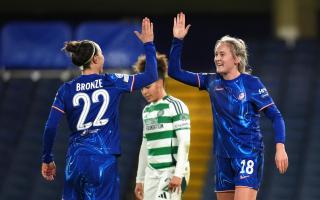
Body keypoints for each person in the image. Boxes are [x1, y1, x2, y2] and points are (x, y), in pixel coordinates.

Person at [168, 12, 289, 200]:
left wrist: (280, 147)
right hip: (222, 157)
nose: (217, 58)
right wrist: (177, 40)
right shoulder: (211, 82)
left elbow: (276, 116)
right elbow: (175, 72)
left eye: (222, 54)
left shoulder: (251, 84)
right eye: (216, 54)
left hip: (247, 154)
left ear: (237, 59)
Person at [41, 17, 158, 200]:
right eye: (102, 55)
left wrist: (47, 158)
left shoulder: (66, 89)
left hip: (75, 161)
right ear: (96, 59)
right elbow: (151, 75)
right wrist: (149, 44)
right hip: (103, 161)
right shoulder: (111, 82)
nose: (104, 58)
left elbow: (50, 127)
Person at [133, 53, 190, 200]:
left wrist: (178, 174)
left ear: (159, 82)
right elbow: (145, 145)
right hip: (152, 173)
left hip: (171, 171)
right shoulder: (147, 111)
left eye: (147, 86)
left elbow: (184, 142)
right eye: (141, 88)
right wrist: (140, 178)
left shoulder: (176, 106)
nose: (144, 92)